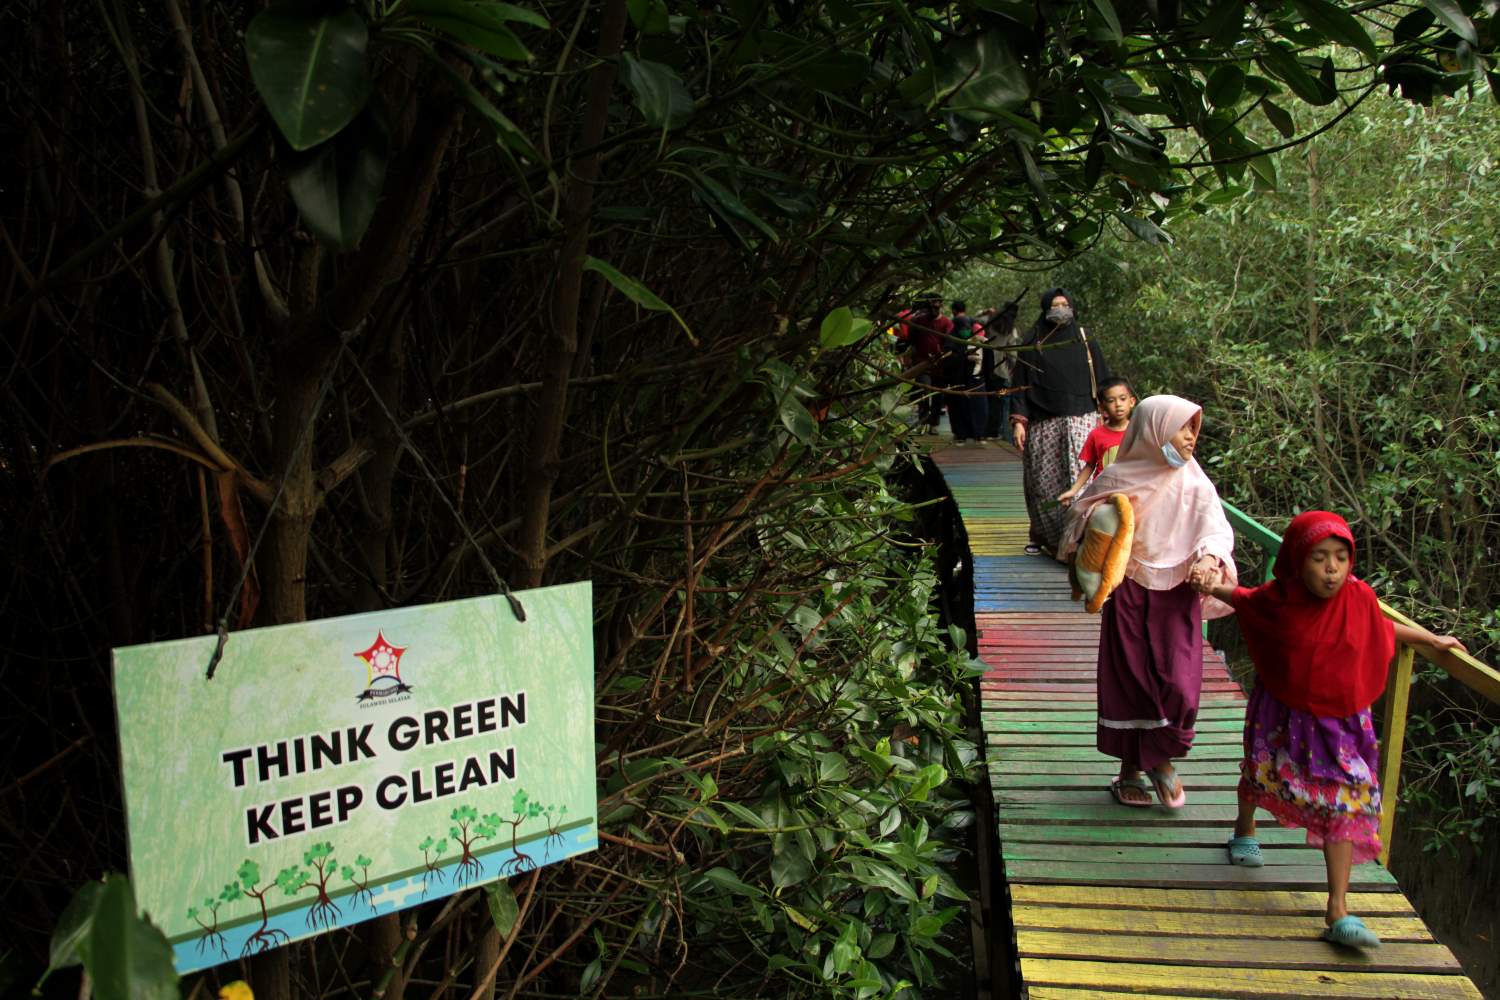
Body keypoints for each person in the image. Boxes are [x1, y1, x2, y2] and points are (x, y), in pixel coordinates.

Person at [1191, 511, 1466, 949]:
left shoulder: (1358, 598)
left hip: (1339, 725)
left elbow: (1379, 627)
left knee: (1349, 798)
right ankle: (1244, 830)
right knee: (1262, 775)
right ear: (1298, 561)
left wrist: (1430, 639)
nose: (1332, 568)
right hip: (1281, 714)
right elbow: (1243, 599)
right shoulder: (1278, 599)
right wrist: (1210, 585)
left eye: (1341, 557)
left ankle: (1337, 907)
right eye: (1320, 557)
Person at [1059, 395, 1237, 810]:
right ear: (1154, 430)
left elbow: (1215, 529)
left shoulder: (1195, 482)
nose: (1192, 437)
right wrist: (1101, 522)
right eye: (1183, 427)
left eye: (1195, 428)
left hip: (1177, 593)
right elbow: (1079, 524)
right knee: (1131, 680)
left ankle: (1159, 757)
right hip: (1130, 589)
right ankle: (1132, 771)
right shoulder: (1119, 476)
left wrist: (1209, 559)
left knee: (1180, 683)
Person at [1010, 289, 1111, 555]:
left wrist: (1109, 414)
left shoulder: (1085, 340)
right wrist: (1019, 421)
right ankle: (1045, 537)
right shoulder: (1033, 343)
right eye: (1055, 306)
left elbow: (1102, 379)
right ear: (1045, 310)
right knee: (1043, 484)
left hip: (1083, 421)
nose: (1061, 309)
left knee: (1082, 481)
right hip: (1044, 423)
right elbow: (1019, 383)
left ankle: (1080, 541)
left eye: (1065, 304)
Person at [1058, 378, 1136, 505]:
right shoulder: (1096, 434)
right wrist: (1073, 490)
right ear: (1101, 407)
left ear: (1132, 401)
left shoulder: (1138, 431)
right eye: (1111, 401)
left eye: (1122, 399)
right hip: (1103, 493)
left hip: (1132, 491)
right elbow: (1090, 465)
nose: (1118, 404)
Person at [943, 300, 988, 445]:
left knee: (979, 407)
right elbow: (947, 359)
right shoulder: (951, 340)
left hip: (976, 378)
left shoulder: (976, 338)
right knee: (958, 408)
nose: (965, 330)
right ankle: (960, 434)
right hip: (958, 379)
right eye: (962, 328)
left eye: (967, 327)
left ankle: (979, 434)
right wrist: (963, 356)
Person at [978, 301, 1022, 442]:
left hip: (985, 368)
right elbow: (1012, 353)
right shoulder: (1010, 329)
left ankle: (983, 431)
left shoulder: (990, 321)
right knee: (999, 401)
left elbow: (975, 321)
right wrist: (1015, 370)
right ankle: (994, 432)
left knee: (986, 399)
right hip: (1001, 373)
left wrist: (985, 311)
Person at [906, 294, 951, 432]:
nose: (933, 310)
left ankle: (934, 424)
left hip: (940, 366)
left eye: (936, 307)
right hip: (922, 363)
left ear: (940, 306)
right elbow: (912, 339)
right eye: (930, 307)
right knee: (924, 391)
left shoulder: (946, 323)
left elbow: (949, 343)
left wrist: (942, 354)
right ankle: (923, 420)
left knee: (937, 395)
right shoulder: (919, 321)